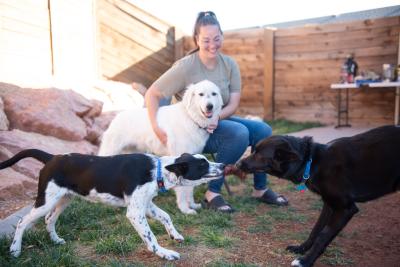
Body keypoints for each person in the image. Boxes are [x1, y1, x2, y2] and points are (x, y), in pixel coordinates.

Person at [145, 11, 288, 212]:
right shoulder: (185, 67)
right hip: (192, 130)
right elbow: (152, 93)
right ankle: (212, 191)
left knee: (263, 130)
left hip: (217, 120)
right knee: (239, 133)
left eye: (217, 38)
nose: (212, 44)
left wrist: (217, 117)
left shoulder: (229, 64)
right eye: (206, 40)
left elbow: (233, 103)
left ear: (222, 36)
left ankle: (260, 188)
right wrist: (155, 126)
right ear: (196, 39)